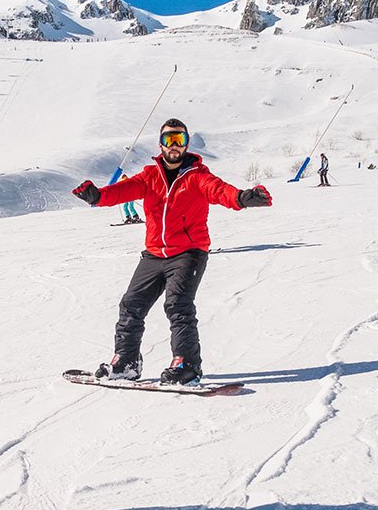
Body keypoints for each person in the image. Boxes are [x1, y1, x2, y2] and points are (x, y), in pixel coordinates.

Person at [71, 118, 273, 385]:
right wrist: (98, 197)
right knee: (131, 305)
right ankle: (126, 362)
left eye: (179, 140)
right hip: (155, 253)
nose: (174, 146)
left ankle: (187, 365)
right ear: (161, 144)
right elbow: (122, 191)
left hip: (189, 252)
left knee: (178, 305)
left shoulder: (198, 176)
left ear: (186, 144)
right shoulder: (149, 176)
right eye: (169, 140)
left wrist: (241, 198)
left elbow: (219, 191)